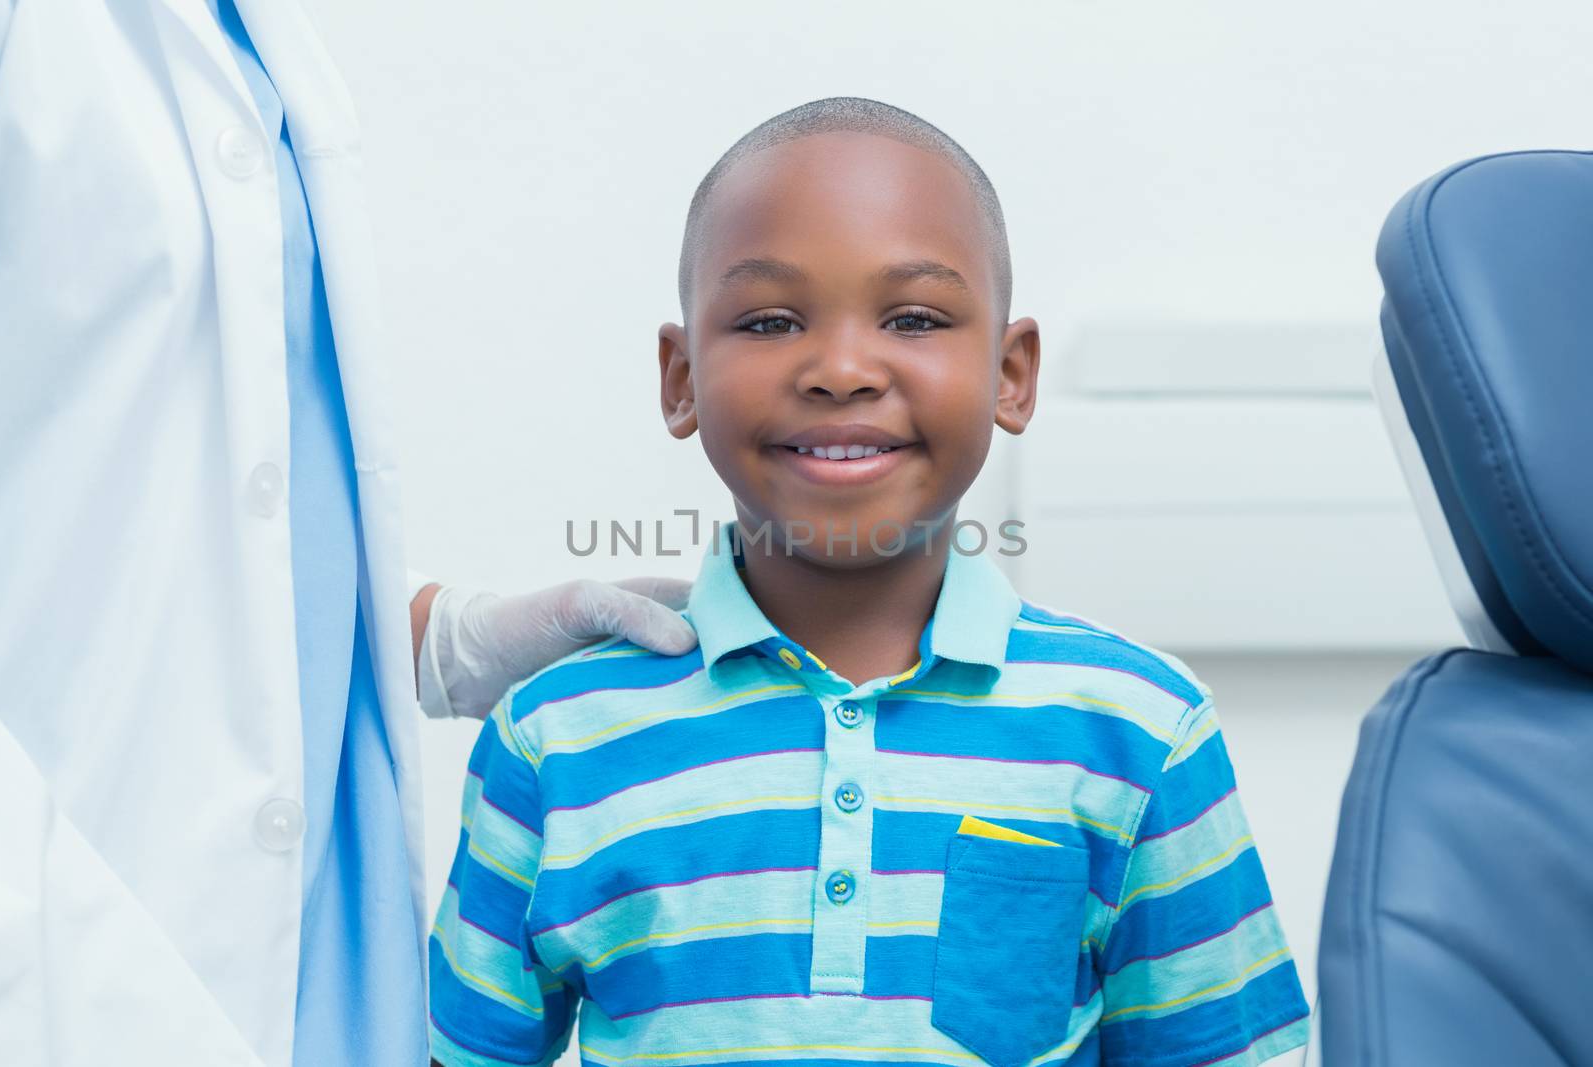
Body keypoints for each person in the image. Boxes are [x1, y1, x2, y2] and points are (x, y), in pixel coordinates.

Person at [429, 97, 1311, 1066]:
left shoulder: (1139, 726)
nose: (842, 369)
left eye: (914, 317)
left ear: (1011, 373)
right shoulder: (556, 736)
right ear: (679, 378)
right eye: (769, 319)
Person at [0, 2, 693, 1064]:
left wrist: (437, 635)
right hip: (79, 963)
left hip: (315, 969)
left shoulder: (251, 36)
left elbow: (195, 489)